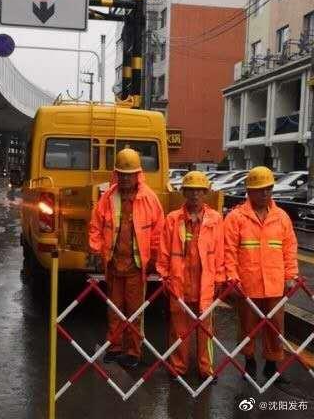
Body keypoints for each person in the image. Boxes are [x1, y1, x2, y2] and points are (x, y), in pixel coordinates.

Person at [89, 148, 164, 368]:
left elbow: (158, 231)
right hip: (113, 264)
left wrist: (154, 258)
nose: (124, 178)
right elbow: (96, 225)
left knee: (135, 311)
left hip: (136, 266)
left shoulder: (150, 199)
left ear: (137, 175)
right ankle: (114, 348)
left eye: (128, 174)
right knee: (114, 309)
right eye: (121, 174)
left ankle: (133, 351)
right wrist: (96, 251)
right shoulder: (108, 197)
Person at [224, 166, 298, 382]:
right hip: (248, 284)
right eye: (259, 189)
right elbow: (229, 250)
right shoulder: (236, 217)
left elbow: (289, 249)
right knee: (247, 326)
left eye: (268, 189)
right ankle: (249, 362)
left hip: (275, 284)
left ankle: (272, 364)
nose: (265, 193)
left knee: (275, 326)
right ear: (249, 191)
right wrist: (232, 277)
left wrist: (291, 275)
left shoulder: (281, 217)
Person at [157, 171, 225, 382]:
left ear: (205, 193)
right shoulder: (173, 219)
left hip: (205, 284)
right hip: (179, 283)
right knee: (178, 330)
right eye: (191, 190)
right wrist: (164, 275)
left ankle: (206, 370)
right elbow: (164, 252)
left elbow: (220, 252)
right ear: (184, 193)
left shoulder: (215, 219)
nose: (195, 194)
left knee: (205, 331)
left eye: (199, 190)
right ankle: (178, 368)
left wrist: (220, 279)